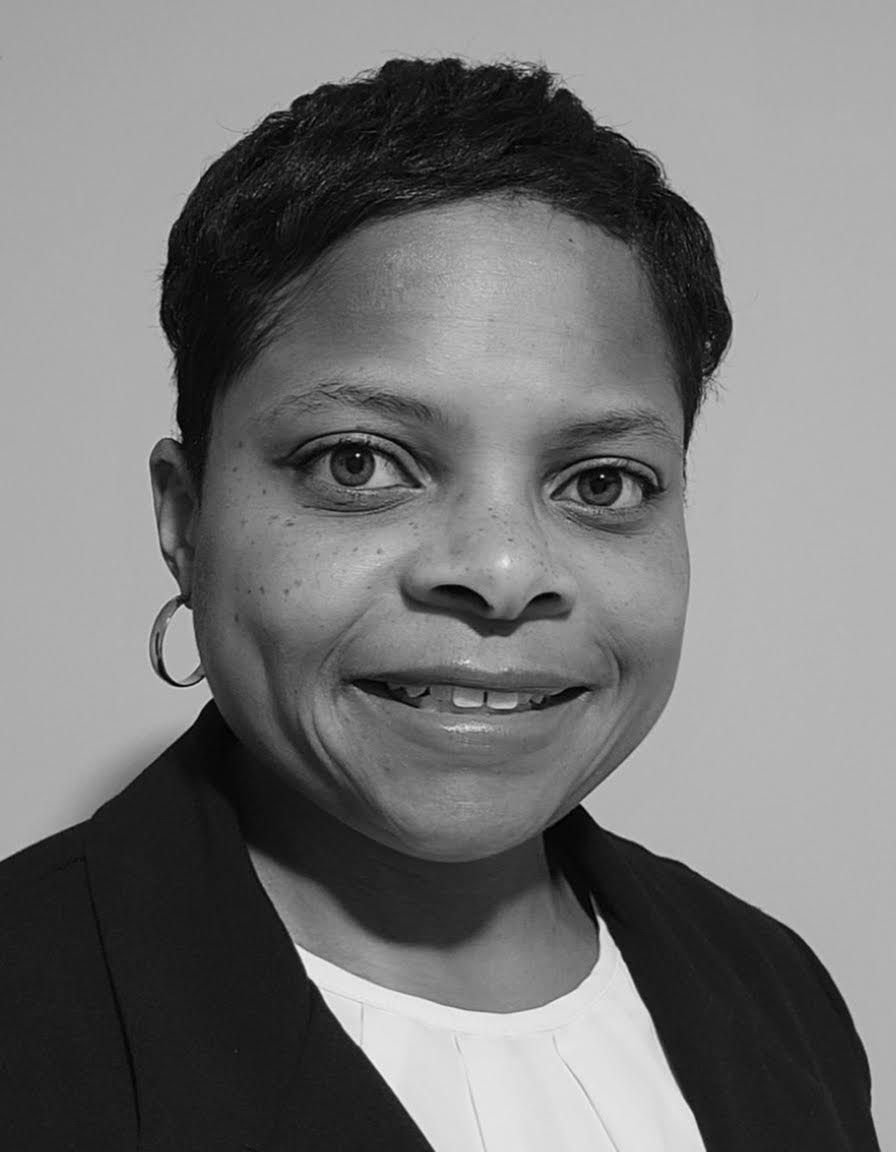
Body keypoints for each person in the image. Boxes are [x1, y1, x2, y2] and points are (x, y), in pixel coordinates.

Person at [0, 56, 880, 1151]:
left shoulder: (775, 992)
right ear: (186, 520)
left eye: (599, 483)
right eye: (360, 463)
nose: (504, 571)